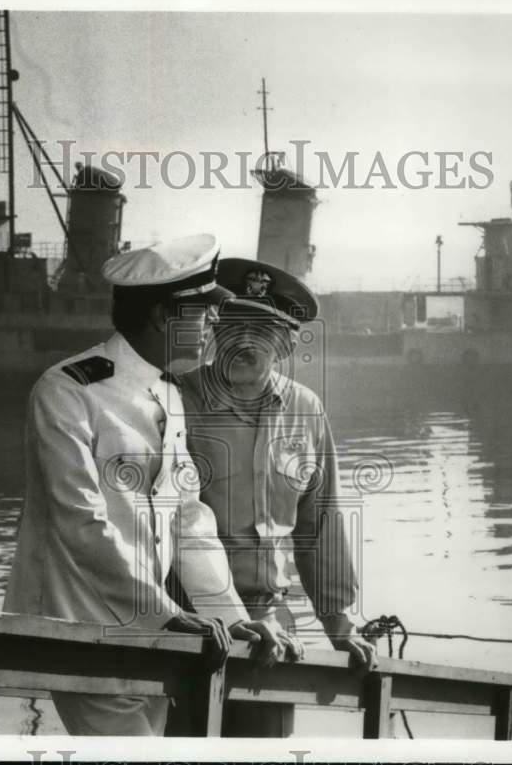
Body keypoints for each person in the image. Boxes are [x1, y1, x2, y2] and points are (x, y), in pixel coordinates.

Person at [3, 235, 282, 736]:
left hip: (154, 633)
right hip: (84, 629)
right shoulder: (68, 391)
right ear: (162, 316)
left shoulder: (168, 393)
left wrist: (229, 615)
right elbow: (80, 522)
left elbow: (188, 521)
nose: (217, 322)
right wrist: (166, 614)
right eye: (205, 310)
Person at [178, 258, 378, 737]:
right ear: (211, 332)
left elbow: (319, 523)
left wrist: (340, 621)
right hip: (189, 622)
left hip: (272, 623)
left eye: (262, 331)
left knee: (263, 743)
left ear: (286, 344)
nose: (244, 342)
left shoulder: (307, 409)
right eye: (232, 326)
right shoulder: (176, 400)